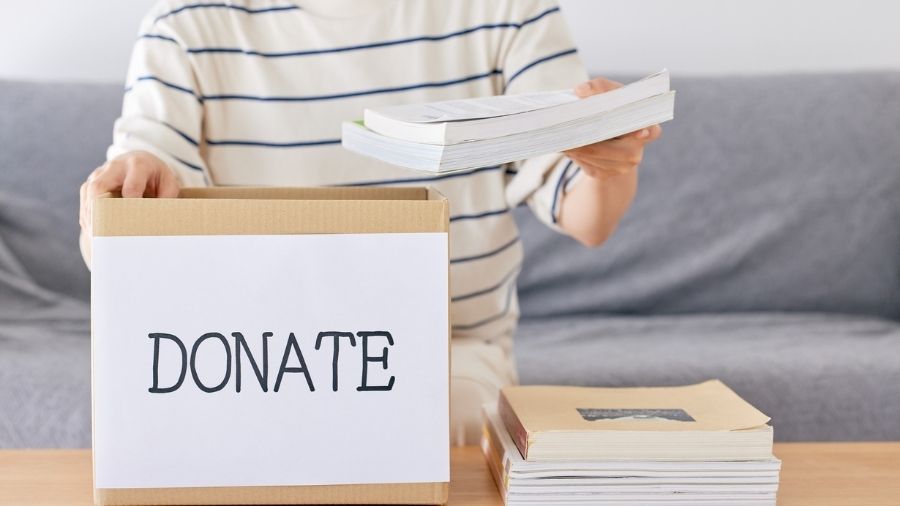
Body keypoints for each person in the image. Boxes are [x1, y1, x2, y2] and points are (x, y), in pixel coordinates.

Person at [79, 0, 661, 445]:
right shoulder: (185, 25)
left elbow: (586, 215)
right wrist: (129, 185)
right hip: (252, 357)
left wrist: (611, 154)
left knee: (429, 418)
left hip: (446, 350)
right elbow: (144, 187)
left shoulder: (506, 11)